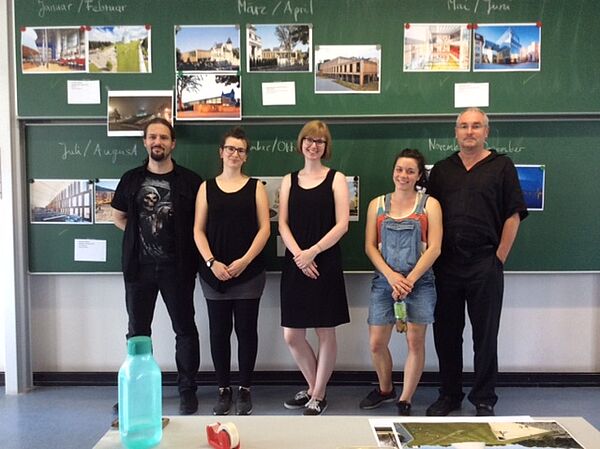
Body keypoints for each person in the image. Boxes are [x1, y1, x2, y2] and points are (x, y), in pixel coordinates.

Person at [426, 108, 528, 417]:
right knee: (446, 333)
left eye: (476, 126)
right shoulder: (442, 170)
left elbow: (513, 215)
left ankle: (484, 397)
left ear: (487, 132)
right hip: (446, 265)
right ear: (455, 132)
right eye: (463, 126)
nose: (469, 131)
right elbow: (429, 215)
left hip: (485, 262)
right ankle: (450, 394)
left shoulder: (501, 166)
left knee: (485, 335)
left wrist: (499, 257)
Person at [111, 117, 202, 415]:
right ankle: (137, 392)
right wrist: (141, 240)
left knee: (185, 329)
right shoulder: (131, 179)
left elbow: (201, 224)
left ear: (173, 143)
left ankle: (188, 391)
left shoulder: (190, 181)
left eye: (163, 137)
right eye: (152, 137)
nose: (157, 142)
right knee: (138, 331)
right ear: (145, 141)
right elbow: (119, 217)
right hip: (139, 268)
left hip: (178, 268)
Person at [193, 127, 270, 416]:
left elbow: (265, 229)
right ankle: (223, 389)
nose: (235, 154)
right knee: (219, 332)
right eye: (230, 148)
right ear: (221, 152)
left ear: (245, 155)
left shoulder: (256, 187)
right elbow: (198, 230)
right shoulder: (206, 187)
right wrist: (212, 262)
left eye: (240, 150)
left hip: (248, 273)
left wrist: (245, 261)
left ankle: (245, 389)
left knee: (247, 331)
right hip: (215, 273)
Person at [360, 149, 442, 416]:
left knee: (414, 342)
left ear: (419, 175)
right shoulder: (377, 204)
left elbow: (435, 248)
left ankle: (405, 398)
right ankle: (386, 389)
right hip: (385, 282)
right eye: (399, 169)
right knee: (376, 342)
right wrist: (392, 276)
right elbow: (370, 247)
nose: (403, 175)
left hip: (420, 282)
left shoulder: (430, 205)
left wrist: (409, 279)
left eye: (409, 171)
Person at [278, 120, 350, 416]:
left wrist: (313, 252)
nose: (313, 145)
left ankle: (318, 394)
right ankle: (313, 388)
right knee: (292, 335)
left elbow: (342, 224)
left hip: (325, 261)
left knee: (325, 331)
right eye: (308, 139)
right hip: (296, 262)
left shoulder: (337, 178)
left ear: (326, 146)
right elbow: (282, 223)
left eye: (319, 141)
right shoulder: (288, 180)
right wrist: (299, 256)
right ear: (301, 143)